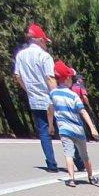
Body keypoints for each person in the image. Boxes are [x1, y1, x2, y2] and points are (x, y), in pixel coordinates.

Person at [13, 24, 59, 173]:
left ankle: (51, 164)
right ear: (39, 40)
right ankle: (78, 161)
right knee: (65, 127)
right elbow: (50, 78)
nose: (46, 45)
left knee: (44, 131)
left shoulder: (20, 55)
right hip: (49, 98)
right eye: (45, 41)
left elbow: (17, 76)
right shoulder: (44, 57)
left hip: (34, 99)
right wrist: (58, 97)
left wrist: (29, 90)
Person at [49, 60, 99, 187]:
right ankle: (91, 176)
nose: (71, 80)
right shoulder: (73, 95)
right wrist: (92, 127)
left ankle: (71, 178)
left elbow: (50, 110)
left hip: (64, 129)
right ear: (66, 79)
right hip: (78, 129)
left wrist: (50, 125)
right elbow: (83, 112)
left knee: (68, 154)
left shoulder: (53, 94)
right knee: (84, 155)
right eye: (70, 77)